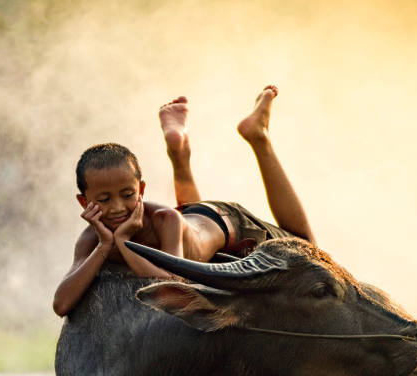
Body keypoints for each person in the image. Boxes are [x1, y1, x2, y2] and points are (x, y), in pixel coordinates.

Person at [53, 86, 315, 317]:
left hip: (223, 222)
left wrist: (123, 243)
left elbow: (175, 284)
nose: (118, 207)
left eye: (128, 195)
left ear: (141, 189)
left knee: (306, 245)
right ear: (83, 201)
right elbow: (61, 304)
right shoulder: (91, 239)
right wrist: (105, 246)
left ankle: (259, 137)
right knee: (193, 235)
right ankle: (178, 152)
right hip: (193, 218)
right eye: (104, 199)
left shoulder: (166, 219)